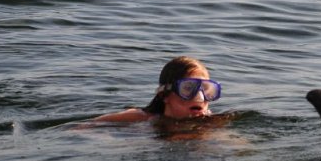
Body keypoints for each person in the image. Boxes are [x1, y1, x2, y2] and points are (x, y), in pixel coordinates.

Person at [86, 56, 221, 123]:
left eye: (206, 89)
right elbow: (85, 128)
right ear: (164, 95)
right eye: (188, 89)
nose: (200, 97)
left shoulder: (212, 124)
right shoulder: (141, 118)